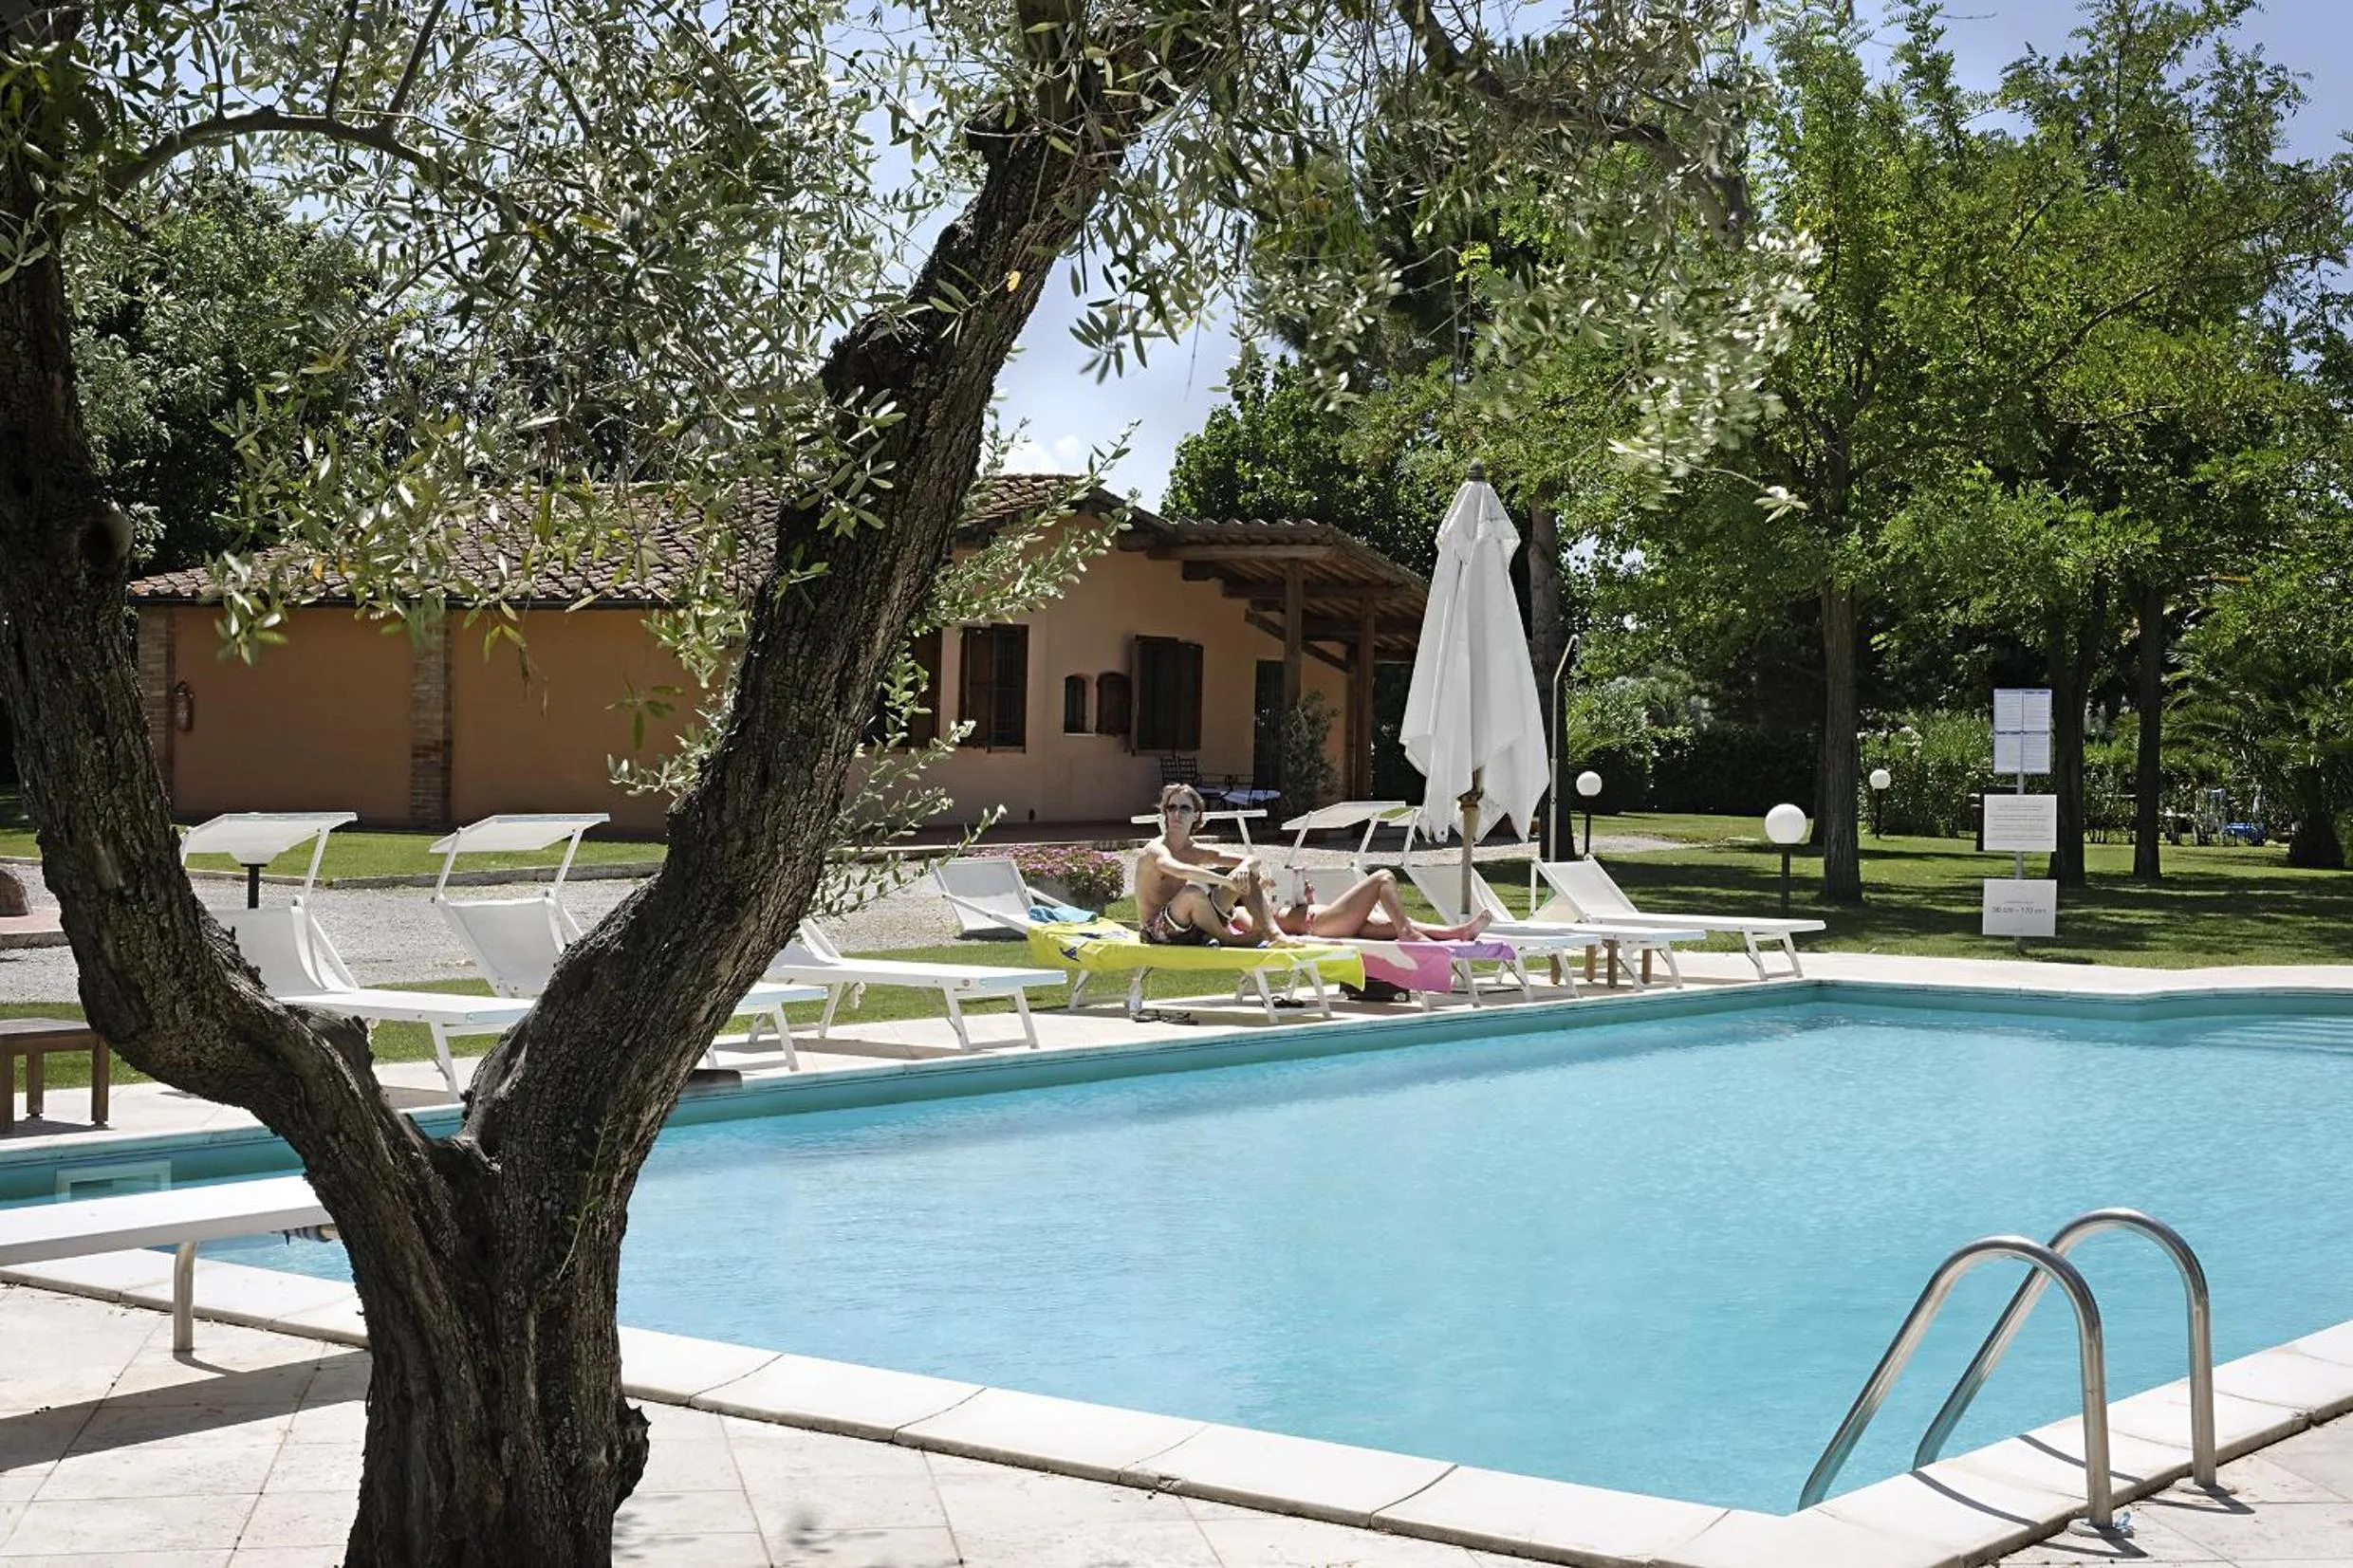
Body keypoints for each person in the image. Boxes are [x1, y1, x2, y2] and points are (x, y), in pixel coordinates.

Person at [1135, 784, 1491, 946]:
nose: (1176, 814)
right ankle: (1231, 940)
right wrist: (1231, 885)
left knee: (1375, 922)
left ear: (1197, 815)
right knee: (1198, 890)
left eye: (1184, 808)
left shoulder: (1198, 850)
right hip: (1160, 931)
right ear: (1163, 814)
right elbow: (1181, 874)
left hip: (1203, 924)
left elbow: (1253, 859)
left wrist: (1249, 865)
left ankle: (1454, 933)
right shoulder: (1156, 850)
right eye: (1171, 807)